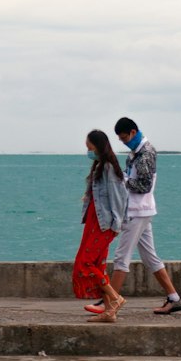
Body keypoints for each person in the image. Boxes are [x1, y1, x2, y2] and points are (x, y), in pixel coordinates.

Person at [87, 116, 181, 316]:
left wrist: (120, 180)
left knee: (121, 257)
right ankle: (174, 298)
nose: (123, 142)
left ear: (133, 132)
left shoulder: (146, 154)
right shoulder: (135, 154)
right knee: (151, 258)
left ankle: (109, 302)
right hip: (141, 210)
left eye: (124, 138)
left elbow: (144, 186)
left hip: (138, 211)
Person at [72, 129, 129, 323]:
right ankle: (109, 312)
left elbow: (119, 197)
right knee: (97, 265)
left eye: (90, 147)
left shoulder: (108, 168)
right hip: (95, 222)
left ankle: (115, 298)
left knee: (85, 263)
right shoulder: (100, 166)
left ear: (98, 146)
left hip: (103, 225)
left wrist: (116, 224)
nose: (88, 150)